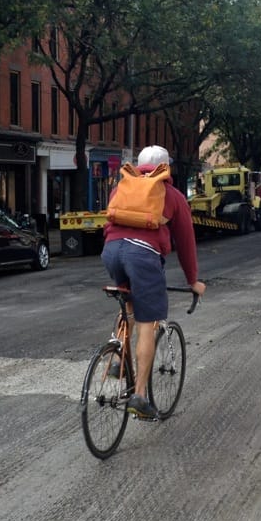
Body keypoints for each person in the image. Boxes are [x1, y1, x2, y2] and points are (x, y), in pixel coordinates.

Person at [101, 145, 206, 420]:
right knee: (148, 322)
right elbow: (185, 242)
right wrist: (192, 280)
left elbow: (110, 223)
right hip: (143, 256)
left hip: (111, 251)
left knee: (129, 302)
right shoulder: (172, 195)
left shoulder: (121, 187)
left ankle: (117, 358)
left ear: (139, 165)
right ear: (165, 167)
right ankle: (140, 396)